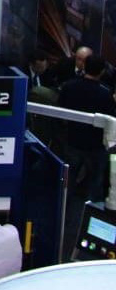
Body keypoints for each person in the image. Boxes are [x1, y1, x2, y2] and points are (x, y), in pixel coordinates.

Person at [58, 54, 116, 200]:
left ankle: (64, 204)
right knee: (94, 182)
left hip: (73, 140)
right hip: (95, 146)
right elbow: (110, 119)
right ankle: (91, 209)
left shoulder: (69, 86)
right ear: (102, 71)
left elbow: (60, 109)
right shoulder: (105, 93)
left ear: (84, 66)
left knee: (68, 181)